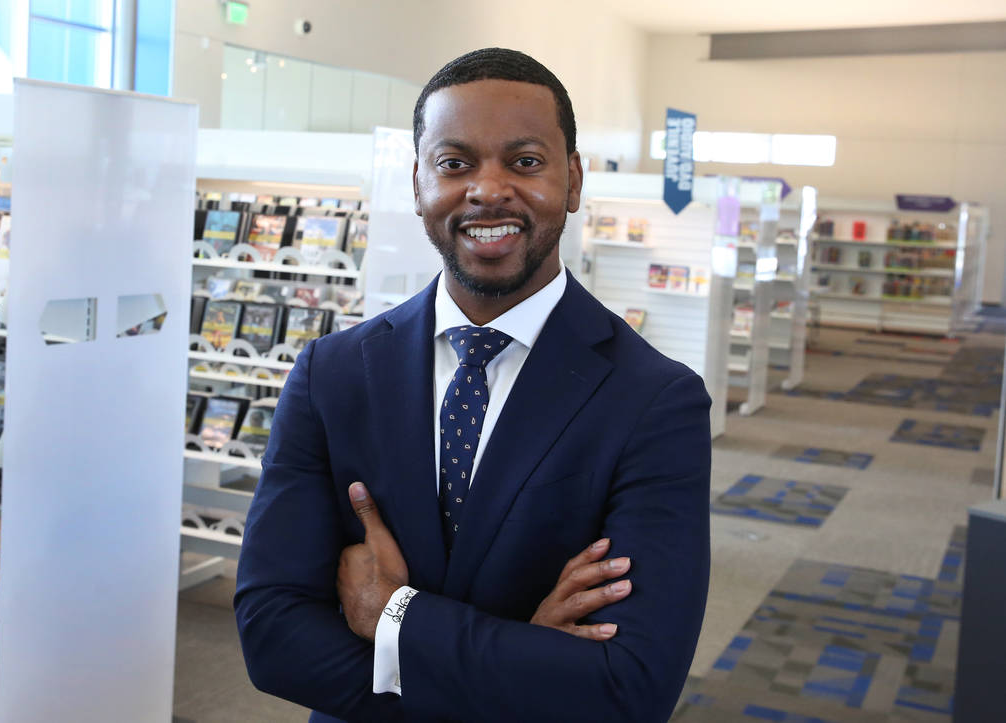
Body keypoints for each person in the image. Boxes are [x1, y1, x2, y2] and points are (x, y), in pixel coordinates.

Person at [235, 47, 711, 723]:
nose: (488, 189)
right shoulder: (333, 374)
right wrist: (521, 668)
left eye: (524, 161)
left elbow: (628, 688)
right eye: (454, 163)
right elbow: (271, 633)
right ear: (419, 181)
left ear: (573, 181)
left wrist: (396, 615)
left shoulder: (655, 402)